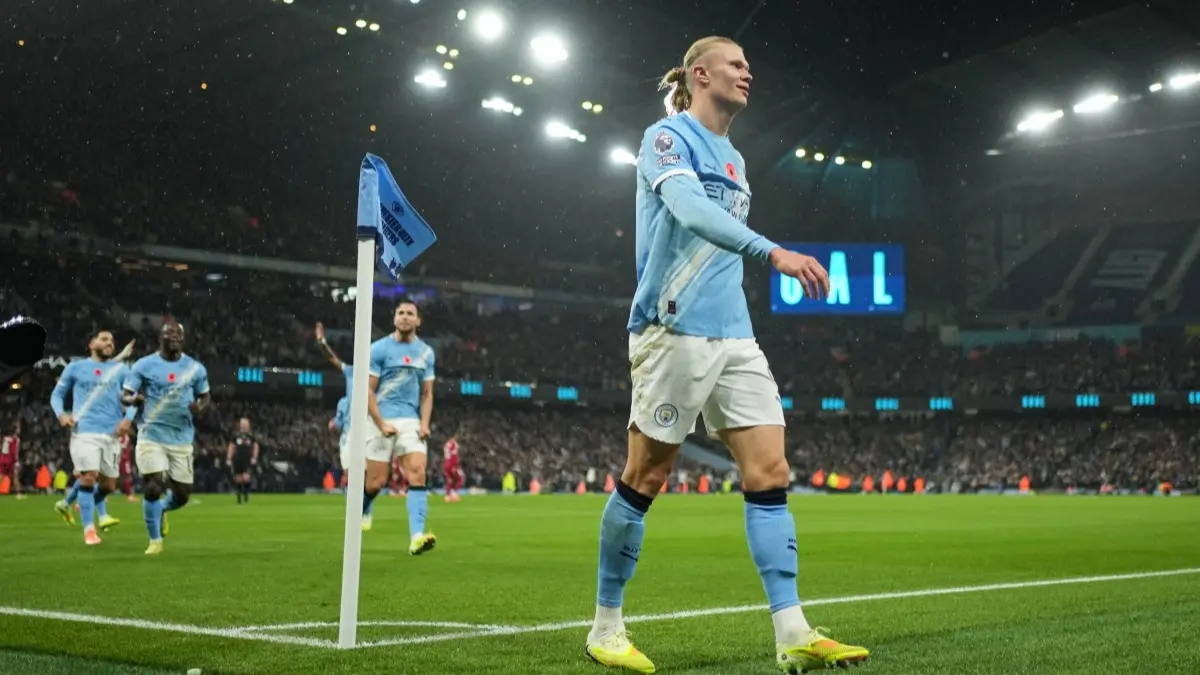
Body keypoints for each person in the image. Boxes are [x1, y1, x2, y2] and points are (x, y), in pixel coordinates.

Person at [583, 36, 868, 674]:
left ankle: (791, 631)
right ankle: (605, 627)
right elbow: (687, 209)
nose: (748, 73)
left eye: (748, 65)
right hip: (672, 328)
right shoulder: (666, 136)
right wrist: (775, 253)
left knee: (770, 472)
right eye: (736, 64)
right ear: (699, 73)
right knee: (646, 477)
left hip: (735, 335)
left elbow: (716, 230)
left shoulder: (736, 159)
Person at [122, 322, 210, 555]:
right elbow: (125, 395)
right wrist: (134, 401)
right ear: (159, 338)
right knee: (152, 485)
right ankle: (155, 541)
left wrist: (200, 407)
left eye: (179, 334)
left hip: (181, 438)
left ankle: (162, 509)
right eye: (169, 333)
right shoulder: (144, 365)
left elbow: (205, 396)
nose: (175, 337)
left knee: (182, 495)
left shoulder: (195, 368)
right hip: (151, 434)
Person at [365, 299, 436, 555]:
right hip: (380, 418)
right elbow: (368, 391)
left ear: (418, 321)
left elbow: (427, 394)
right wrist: (381, 423)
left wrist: (425, 423)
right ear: (394, 318)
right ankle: (363, 507)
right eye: (401, 313)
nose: (405, 317)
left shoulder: (427, 353)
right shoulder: (378, 349)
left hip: (410, 420)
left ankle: (417, 536)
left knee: (417, 472)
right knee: (375, 483)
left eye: (410, 314)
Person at [49, 331, 133, 544]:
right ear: (91, 343)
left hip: (111, 434)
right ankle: (89, 531)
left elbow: (134, 398)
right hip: (84, 431)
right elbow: (56, 395)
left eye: (112, 341)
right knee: (88, 477)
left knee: (108, 486)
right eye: (104, 339)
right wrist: (61, 414)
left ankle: (81, 503)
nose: (109, 343)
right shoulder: (75, 368)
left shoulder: (121, 370)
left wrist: (128, 419)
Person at [226, 417, 259, 504]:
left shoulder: (251, 436)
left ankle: (246, 494)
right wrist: (229, 458)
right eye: (242, 424)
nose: (244, 426)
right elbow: (231, 447)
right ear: (240, 425)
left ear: (248, 425)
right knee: (238, 478)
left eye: (245, 424)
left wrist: (254, 457)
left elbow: (256, 447)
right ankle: (239, 497)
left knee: (246, 477)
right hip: (237, 459)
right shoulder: (235, 436)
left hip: (247, 459)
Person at [1, 419, 23, 499]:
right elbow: (14, 452)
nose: (19, 430)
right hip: (10, 461)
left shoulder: (5, 438)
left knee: (1, 476)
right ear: (16, 430)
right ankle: (18, 494)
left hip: (3, 459)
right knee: (15, 476)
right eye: (18, 428)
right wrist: (16, 462)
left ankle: (18, 493)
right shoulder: (15, 439)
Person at [442, 435, 464, 503]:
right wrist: (455, 466)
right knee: (461, 478)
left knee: (450, 480)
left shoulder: (446, 444)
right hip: (452, 464)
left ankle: (447, 496)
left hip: (446, 464)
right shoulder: (454, 444)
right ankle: (454, 495)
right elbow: (454, 455)